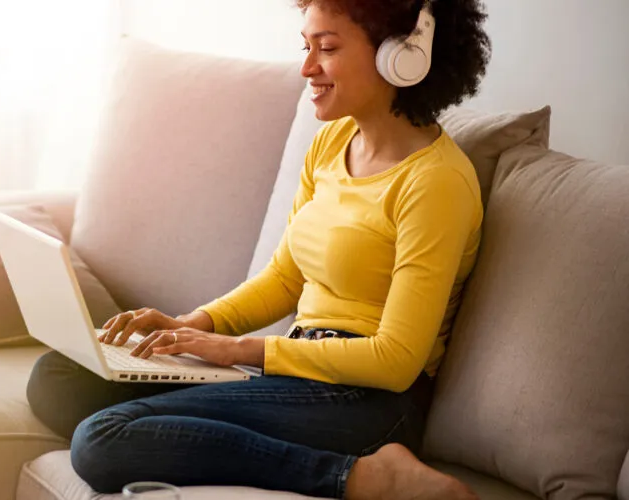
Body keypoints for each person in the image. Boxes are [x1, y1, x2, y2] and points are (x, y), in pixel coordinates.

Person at [25, 0, 493, 498]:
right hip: (298, 371)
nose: (307, 67)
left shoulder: (435, 182)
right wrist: (191, 326)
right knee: (60, 377)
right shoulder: (332, 143)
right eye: (306, 46)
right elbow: (285, 278)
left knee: (101, 439)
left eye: (327, 48)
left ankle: (359, 476)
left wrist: (238, 350)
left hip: (367, 401)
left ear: (401, 56)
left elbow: (396, 360)